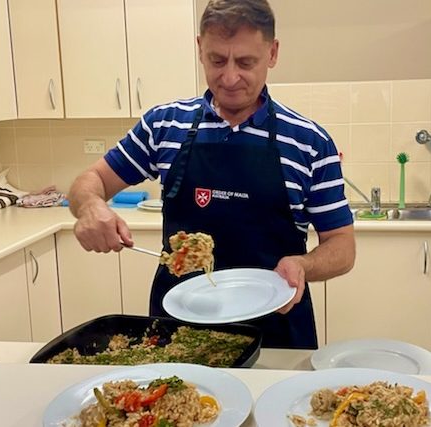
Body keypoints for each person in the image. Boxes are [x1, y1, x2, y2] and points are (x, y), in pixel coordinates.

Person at [68, 0, 355, 349]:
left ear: (273, 53)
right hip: (179, 333)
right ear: (199, 49)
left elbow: (342, 246)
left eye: (246, 62)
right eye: (217, 60)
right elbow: (91, 181)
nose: (230, 78)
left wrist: (304, 265)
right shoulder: (164, 125)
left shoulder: (309, 141)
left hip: (277, 335)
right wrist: (90, 207)